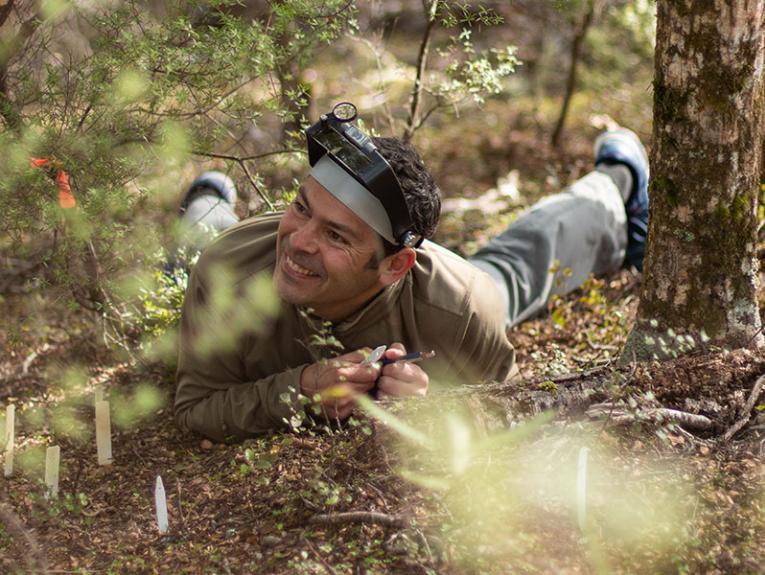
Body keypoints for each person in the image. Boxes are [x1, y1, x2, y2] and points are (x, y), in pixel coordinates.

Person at [174, 103, 649, 442]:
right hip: (233, 251)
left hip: (441, 288)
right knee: (203, 241)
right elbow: (197, 408)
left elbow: (506, 410)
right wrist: (302, 390)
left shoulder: (461, 306)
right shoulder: (229, 271)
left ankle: (616, 180)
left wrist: (434, 406)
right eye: (300, 207)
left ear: (394, 265)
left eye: (337, 236)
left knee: (511, 273)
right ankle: (208, 200)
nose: (299, 240)